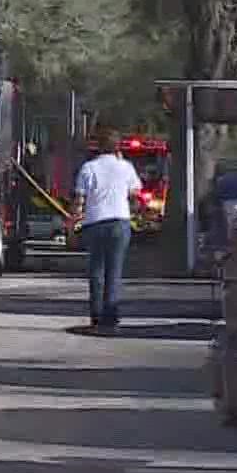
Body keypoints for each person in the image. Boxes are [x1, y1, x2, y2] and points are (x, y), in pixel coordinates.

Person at [71, 129, 144, 331]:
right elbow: (136, 193)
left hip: (95, 222)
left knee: (96, 271)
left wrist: (73, 220)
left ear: (99, 146)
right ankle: (110, 317)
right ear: (117, 147)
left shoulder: (89, 168)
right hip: (120, 221)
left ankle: (96, 315)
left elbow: (79, 199)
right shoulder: (126, 167)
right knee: (114, 270)